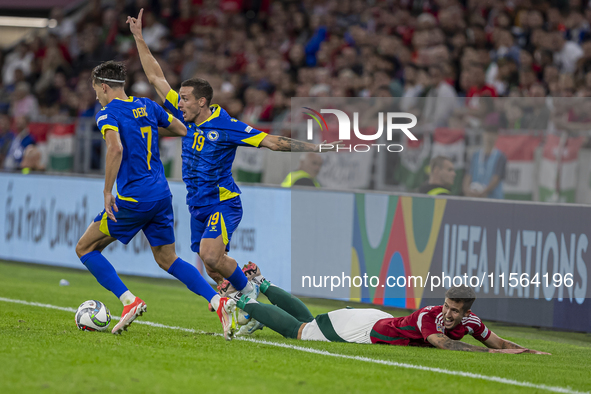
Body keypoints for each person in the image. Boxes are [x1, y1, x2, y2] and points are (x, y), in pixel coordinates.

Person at [128, 10, 339, 306]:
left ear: (202, 101)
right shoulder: (186, 116)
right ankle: (248, 293)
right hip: (196, 203)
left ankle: (254, 291)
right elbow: (155, 77)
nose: (179, 102)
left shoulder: (227, 126)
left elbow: (272, 142)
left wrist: (317, 147)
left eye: (185, 98)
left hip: (223, 202)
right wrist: (139, 38)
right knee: (213, 266)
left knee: (212, 256)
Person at [75, 61, 233, 336]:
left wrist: (106, 191)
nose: (96, 96)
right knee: (167, 258)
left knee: (85, 248)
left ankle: (128, 301)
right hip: (161, 194)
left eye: (95, 90)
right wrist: (141, 129)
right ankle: (217, 301)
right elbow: (182, 128)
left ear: (103, 87)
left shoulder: (106, 114)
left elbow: (115, 149)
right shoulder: (147, 106)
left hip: (135, 199)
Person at [222, 264, 549, 355]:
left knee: (310, 321)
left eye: (455, 311)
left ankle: (262, 283)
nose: (448, 314)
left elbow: (500, 343)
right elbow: (441, 342)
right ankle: (241, 299)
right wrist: (486, 355)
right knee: (302, 331)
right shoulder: (429, 316)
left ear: (467, 313)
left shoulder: (472, 322)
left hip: (377, 320)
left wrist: (528, 352)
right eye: (448, 306)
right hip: (366, 329)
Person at [462, 126, 507, 199]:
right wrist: (467, 190)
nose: (489, 137)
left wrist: (483, 192)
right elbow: (468, 175)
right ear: (483, 135)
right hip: (475, 197)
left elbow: (496, 178)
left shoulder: (501, 157)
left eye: (492, 135)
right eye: (487, 134)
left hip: (493, 199)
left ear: (497, 136)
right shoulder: (475, 155)